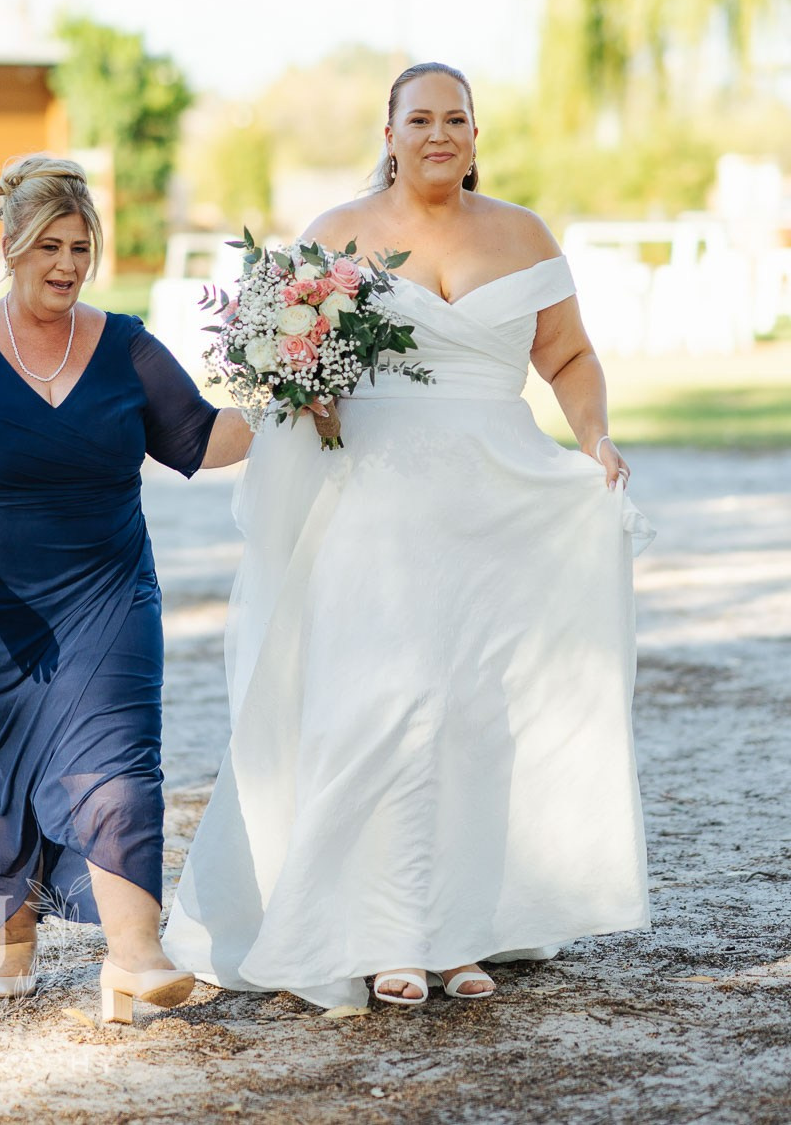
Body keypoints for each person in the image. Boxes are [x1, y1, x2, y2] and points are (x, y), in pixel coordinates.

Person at [164, 62, 654, 1010]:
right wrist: (309, 383)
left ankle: (462, 931)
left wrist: (594, 436)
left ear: (477, 135)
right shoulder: (334, 235)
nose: (440, 133)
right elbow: (284, 367)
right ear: (388, 132)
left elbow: (568, 354)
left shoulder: (523, 235)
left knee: (479, 709)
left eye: (457, 119)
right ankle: (379, 928)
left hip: (498, 504)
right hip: (375, 506)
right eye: (420, 118)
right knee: (381, 701)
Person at [0, 155, 252, 1021]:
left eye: (81, 248)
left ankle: (135, 956)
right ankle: (10, 925)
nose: (66, 264)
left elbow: (198, 439)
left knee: (119, 766)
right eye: (49, 245)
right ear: (10, 247)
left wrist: (291, 408)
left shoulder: (125, 345)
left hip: (107, 597)